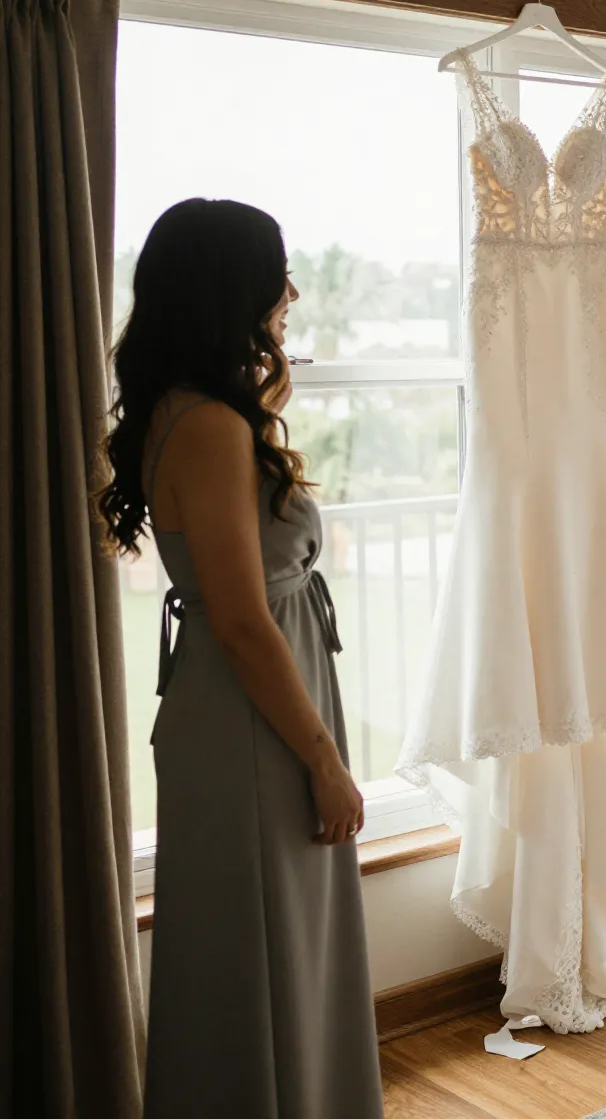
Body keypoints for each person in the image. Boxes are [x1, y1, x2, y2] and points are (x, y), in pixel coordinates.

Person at [98, 199, 383, 1119]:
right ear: (231, 290)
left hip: (244, 705)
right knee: (266, 941)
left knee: (266, 942)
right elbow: (245, 623)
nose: (291, 292)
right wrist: (326, 763)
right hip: (249, 717)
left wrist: (261, 399)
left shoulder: (198, 413)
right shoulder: (210, 429)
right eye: (276, 276)